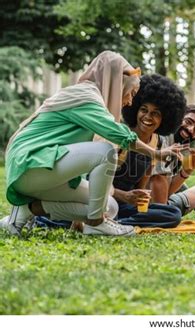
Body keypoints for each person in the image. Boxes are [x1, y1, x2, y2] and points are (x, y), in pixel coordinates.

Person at [2, 51, 184, 237]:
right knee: (105, 152)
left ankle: (28, 210)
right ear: (117, 82)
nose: (130, 101)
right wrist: (155, 153)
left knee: (109, 206)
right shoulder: (84, 95)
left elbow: (76, 159)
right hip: (31, 165)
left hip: (45, 170)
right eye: (132, 93)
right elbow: (117, 133)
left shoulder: (91, 99)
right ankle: (96, 224)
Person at [112, 73, 187, 227]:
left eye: (155, 113)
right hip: (106, 198)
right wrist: (125, 196)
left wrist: (141, 197)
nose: (147, 117)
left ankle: (118, 222)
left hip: (127, 205)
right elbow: (93, 181)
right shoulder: (121, 135)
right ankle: (113, 220)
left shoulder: (157, 142)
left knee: (172, 214)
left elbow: (142, 185)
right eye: (144, 110)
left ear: (164, 119)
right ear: (135, 109)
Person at [149, 104, 195, 216]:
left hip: (155, 199)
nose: (190, 130)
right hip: (150, 206)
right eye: (188, 121)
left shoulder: (177, 146)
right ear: (178, 118)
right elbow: (162, 191)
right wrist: (186, 172)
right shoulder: (162, 139)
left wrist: (186, 170)